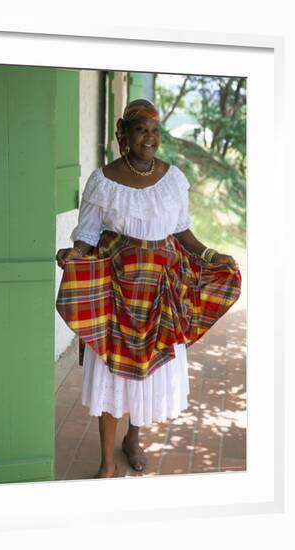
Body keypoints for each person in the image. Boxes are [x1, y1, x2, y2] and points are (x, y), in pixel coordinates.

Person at [55, 99, 242, 479]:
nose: (150, 138)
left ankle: (133, 440)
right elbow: (88, 234)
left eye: (155, 131)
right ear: (123, 133)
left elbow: (182, 232)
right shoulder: (103, 181)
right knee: (112, 371)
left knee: (148, 371)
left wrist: (211, 253)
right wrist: (74, 253)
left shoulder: (172, 179)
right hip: (116, 292)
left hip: (161, 291)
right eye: (142, 129)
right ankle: (107, 462)